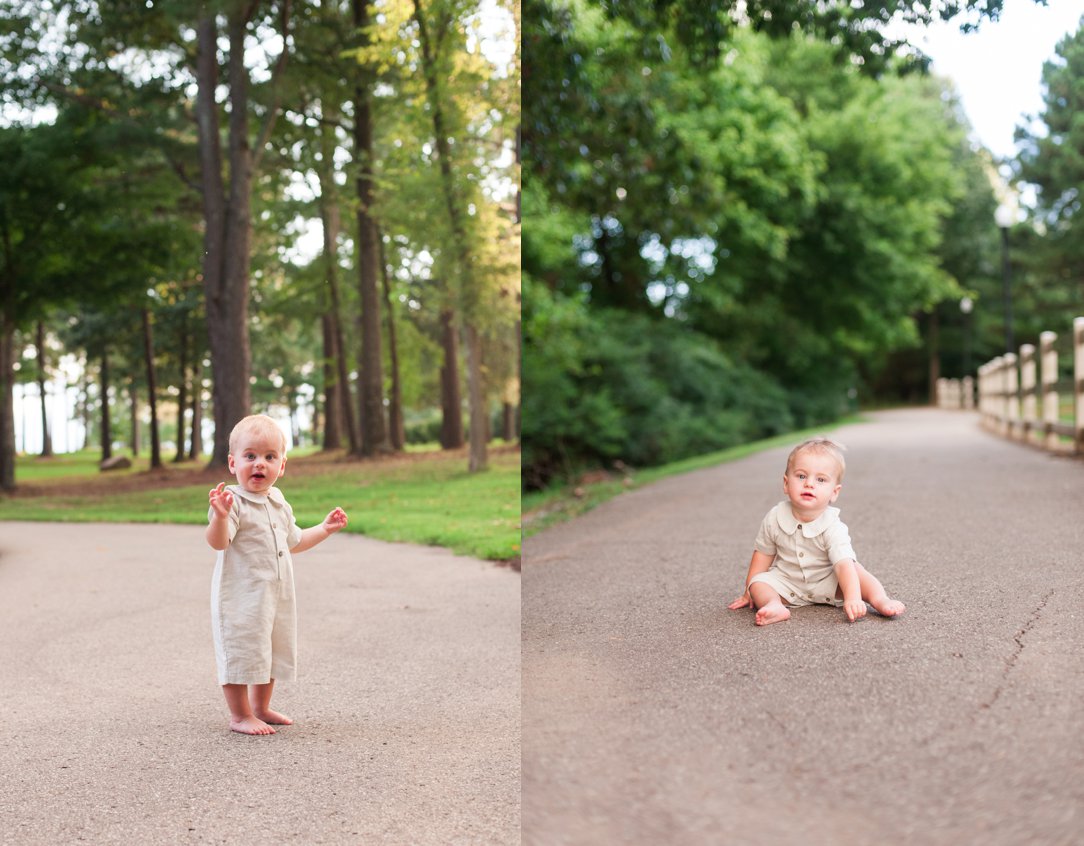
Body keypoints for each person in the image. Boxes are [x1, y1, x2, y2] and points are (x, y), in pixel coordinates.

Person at [206, 414, 349, 735]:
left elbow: (295, 541)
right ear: (232, 463)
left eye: (270, 457)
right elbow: (219, 542)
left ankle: (261, 707)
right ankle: (240, 714)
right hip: (241, 598)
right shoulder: (231, 502)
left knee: (270, 648)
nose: (260, 464)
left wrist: (325, 528)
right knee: (241, 649)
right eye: (250, 456)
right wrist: (219, 516)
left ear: (281, 466)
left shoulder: (278, 501)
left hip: (276, 596)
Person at [728, 437, 905, 627]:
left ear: (834, 492)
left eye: (820, 480)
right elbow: (762, 555)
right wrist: (749, 591)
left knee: (855, 571)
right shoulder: (774, 517)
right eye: (802, 476)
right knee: (758, 583)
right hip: (788, 583)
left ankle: (880, 599)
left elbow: (843, 565)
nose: (809, 484)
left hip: (828, 582)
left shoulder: (833, 525)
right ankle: (775, 605)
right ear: (786, 483)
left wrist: (852, 598)